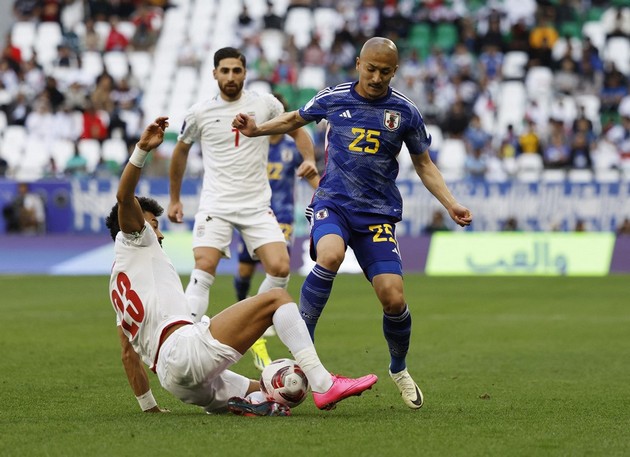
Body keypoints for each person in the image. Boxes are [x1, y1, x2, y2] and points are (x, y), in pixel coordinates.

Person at [232, 37, 473, 410]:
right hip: (334, 203)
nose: (376, 77)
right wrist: (255, 129)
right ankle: (305, 354)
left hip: (377, 214)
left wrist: (452, 203)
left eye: (385, 71)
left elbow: (424, 164)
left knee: (393, 298)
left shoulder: (405, 112)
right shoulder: (334, 97)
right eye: (371, 68)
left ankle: (398, 368)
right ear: (358, 63)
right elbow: (295, 118)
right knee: (329, 255)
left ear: (395, 71)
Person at [106, 116, 377, 416]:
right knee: (276, 298)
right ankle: (324, 384)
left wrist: (149, 408)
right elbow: (123, 197)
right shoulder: (135, 239)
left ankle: (261, 403)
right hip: (182, 351)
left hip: (175, 382)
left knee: (263, 392)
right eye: (153, 224)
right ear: (131, 225)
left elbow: (127, 354)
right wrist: (141, 150)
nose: (158, 232)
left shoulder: (120, 281)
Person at [168, 47, 318, 372]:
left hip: (255, 205)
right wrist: (175, 199)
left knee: (280, 268)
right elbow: (180, 152)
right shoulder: (199, 113)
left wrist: (308, 159)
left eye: (237, 70)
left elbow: (297, 128)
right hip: (216, 205)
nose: (231, 77)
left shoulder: (265, 104)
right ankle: (181, 341)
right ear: (214, 74)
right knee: (204, 265)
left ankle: (253, 322)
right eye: (225, 71)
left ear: (245, 73)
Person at [234, 94, 319, 303]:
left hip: (283, 214)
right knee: (245, 269)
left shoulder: (292, 147)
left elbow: (309, 173)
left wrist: (325, 195)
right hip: (253, 211)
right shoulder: (252, 143)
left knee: (277, 267)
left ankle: (261, 315)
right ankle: (241, 305)